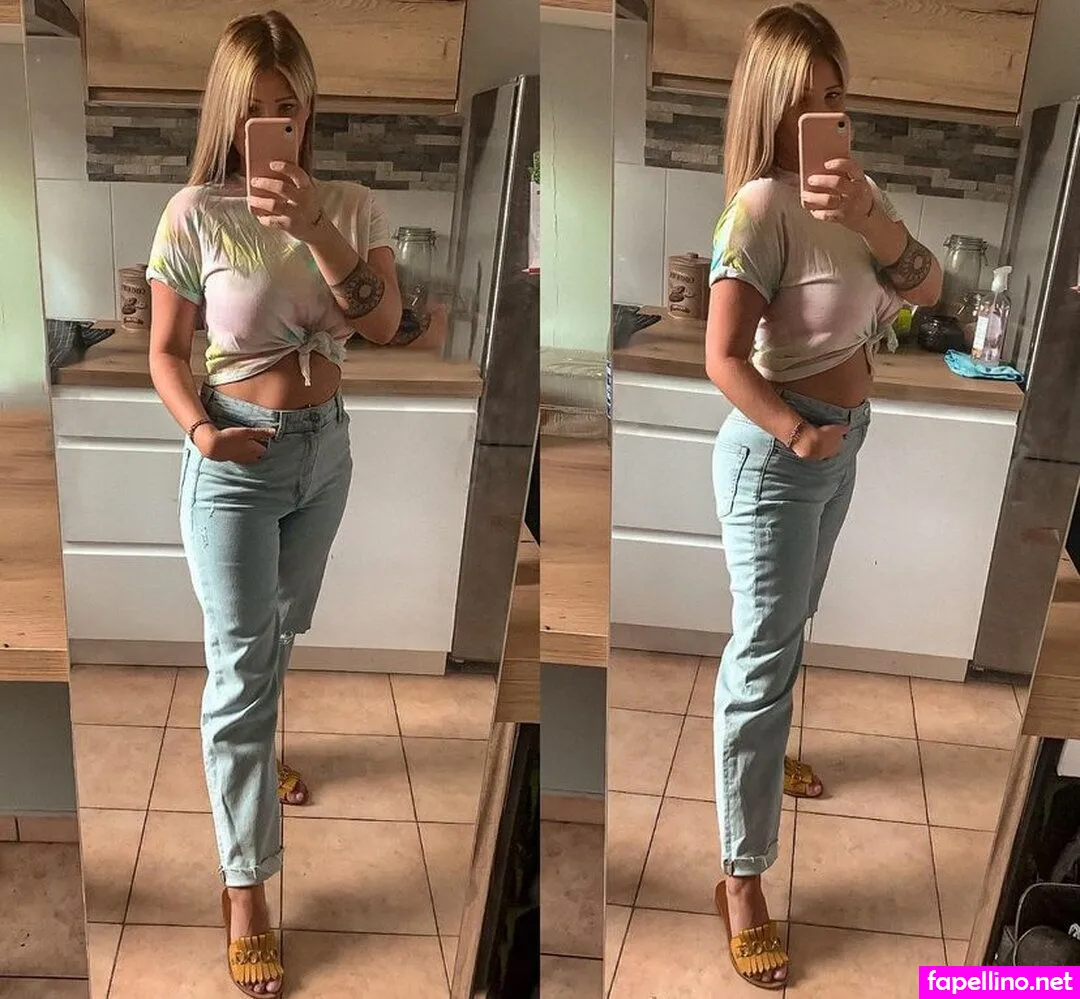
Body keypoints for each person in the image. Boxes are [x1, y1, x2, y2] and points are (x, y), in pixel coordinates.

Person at [145, 10, 437, 994]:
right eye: (255, 108)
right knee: (239, 664)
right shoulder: (194, 213)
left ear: (311, 110)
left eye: (290, 106)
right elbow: (166, 353)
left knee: (278, 630)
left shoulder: (351, 204)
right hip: (234, 452)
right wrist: (201, 431)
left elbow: (383, 323)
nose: (274, 124)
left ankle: (261, 763)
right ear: (227, 114)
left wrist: (314, 226)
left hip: (325, 453)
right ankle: (247, 889)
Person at [705, 2, 943, 987]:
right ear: (770, 112)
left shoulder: (862, 198)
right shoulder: (758, 209)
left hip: (838, 446)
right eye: (803, 102)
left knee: (791, 625)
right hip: (780, 454)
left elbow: (927, 288)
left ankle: (764, 766)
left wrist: (873, 218)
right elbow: (723, 357)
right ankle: (742, 875)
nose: (824, 117)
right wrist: (799, 433)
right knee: (761, 658)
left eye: (835, 96)